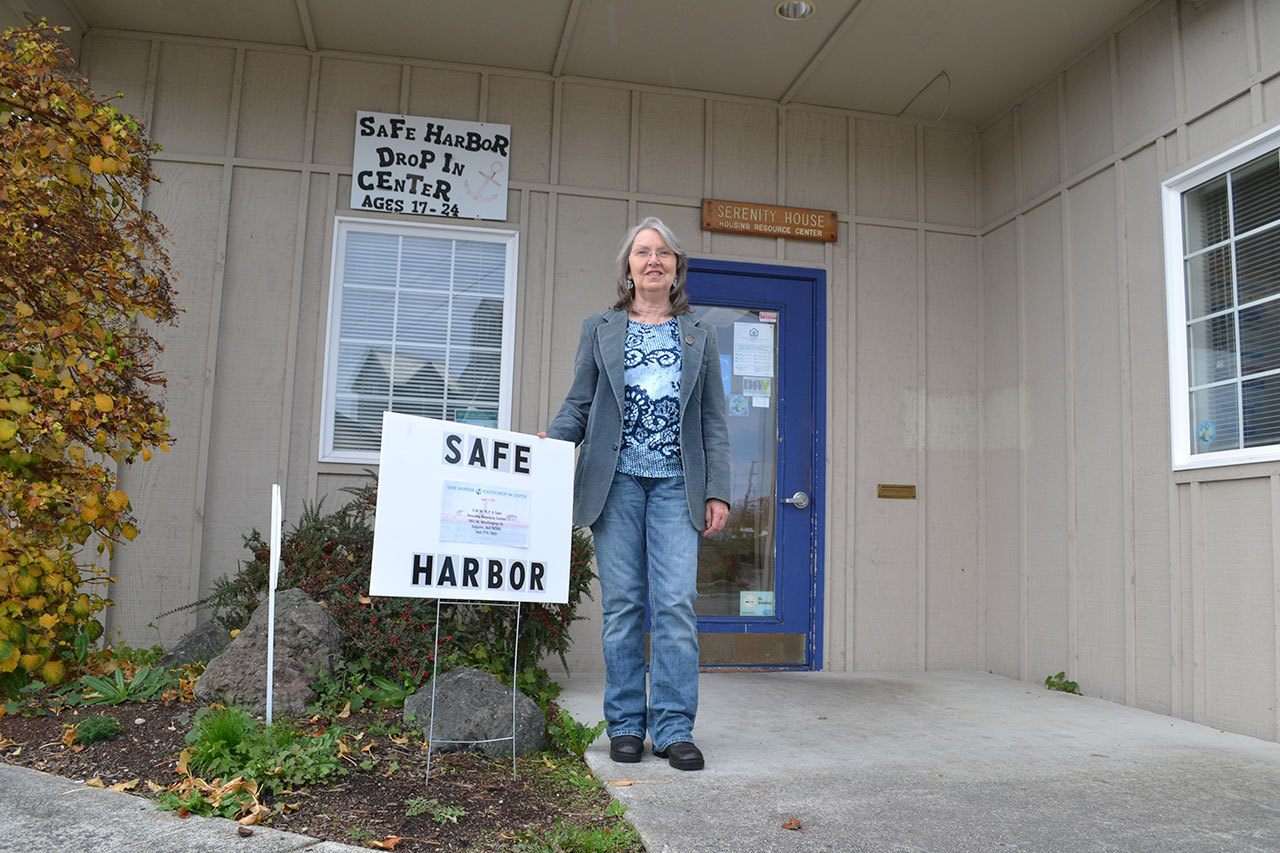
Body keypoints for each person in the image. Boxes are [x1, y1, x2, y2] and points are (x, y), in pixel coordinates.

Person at [541, 217, 730, 771]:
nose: (653, 261)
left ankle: (673, 728)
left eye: (664, 254)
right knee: (623, 607)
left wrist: (717, 489)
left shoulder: (700, 333)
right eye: (642, 253)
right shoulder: (599, 328)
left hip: (678, 483)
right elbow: (579, 404)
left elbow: (714, 420)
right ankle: (625, 723)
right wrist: (552, 449)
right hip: (615, 481)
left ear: (676, 268)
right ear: (628, 266)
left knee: (674, 605)